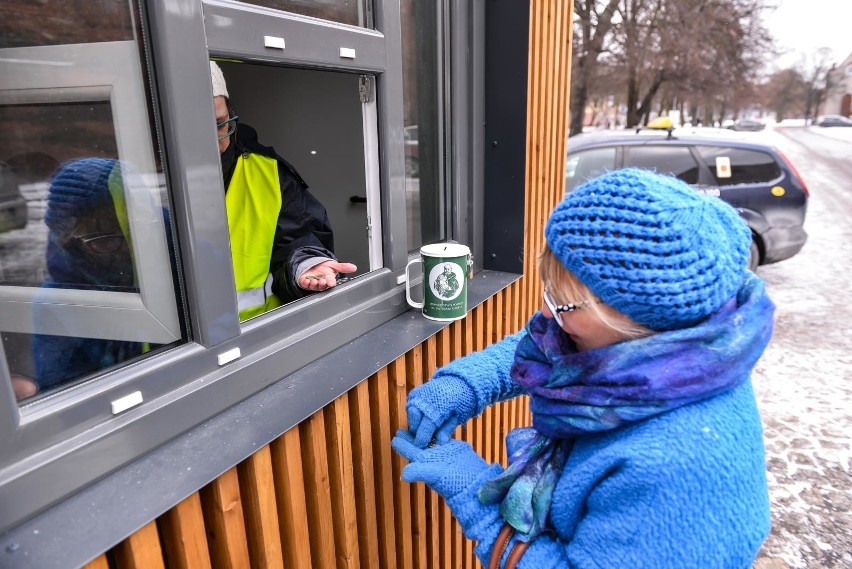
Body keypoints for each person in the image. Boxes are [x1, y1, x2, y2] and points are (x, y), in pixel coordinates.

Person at [392, 168, 775, 568]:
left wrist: (476, 497)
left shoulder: (674, 470)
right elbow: (556, 345)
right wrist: (470, 383)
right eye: (549, 291)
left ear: (634, 320)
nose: (545, 312)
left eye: (565, 304)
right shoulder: (682, 345)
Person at [209, 61, 356, 320]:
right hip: (162, 354)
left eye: (221, 124)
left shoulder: (267, 172)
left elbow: (298, 238)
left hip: (256, 337)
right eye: (199, 131)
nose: (218, 141)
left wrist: (306, 265)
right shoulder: (140, 180)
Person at [28, 158, 146, 393]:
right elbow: (65, 395)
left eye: (133, 229)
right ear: (72, 242)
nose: (129, 247)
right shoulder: (59, 303)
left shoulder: (184, 257)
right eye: (105, 238)